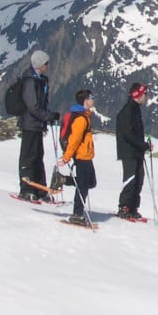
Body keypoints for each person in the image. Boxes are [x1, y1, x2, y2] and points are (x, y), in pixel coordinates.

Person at [17, 50, 60, 201]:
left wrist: (48, 116)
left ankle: (39, 189)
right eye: (46, 63)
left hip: (36, 124)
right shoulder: (30, 81)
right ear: (40, 64)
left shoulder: (40, 80)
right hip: (30, 124)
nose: (47, 66)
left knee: (37, 156)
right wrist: (48, 116)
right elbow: (33, 106)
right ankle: (26, 188)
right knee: (29, 157)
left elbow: (39, 104)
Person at [115, 82, 153, 220]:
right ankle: (124, 207)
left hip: (136, 151)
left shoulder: (135, 109)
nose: (146, 96)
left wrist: (143, 145)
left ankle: (132, 207)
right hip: (129, 151)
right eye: (144, 94)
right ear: (137, 95)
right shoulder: (128, 110)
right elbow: (128, 134)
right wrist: (142, 145)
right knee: (130, 179)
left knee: (139, 178)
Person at [60, 89, 97, 225]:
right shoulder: (81, 119)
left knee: (91, 182)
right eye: (92, 98)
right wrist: (67, 156)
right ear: (86, 101)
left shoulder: (84, 115)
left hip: (86, 155)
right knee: (83, 185)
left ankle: (63, 180)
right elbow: (74, 140)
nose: (93, 100)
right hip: (81, 156)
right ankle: (77, 213)